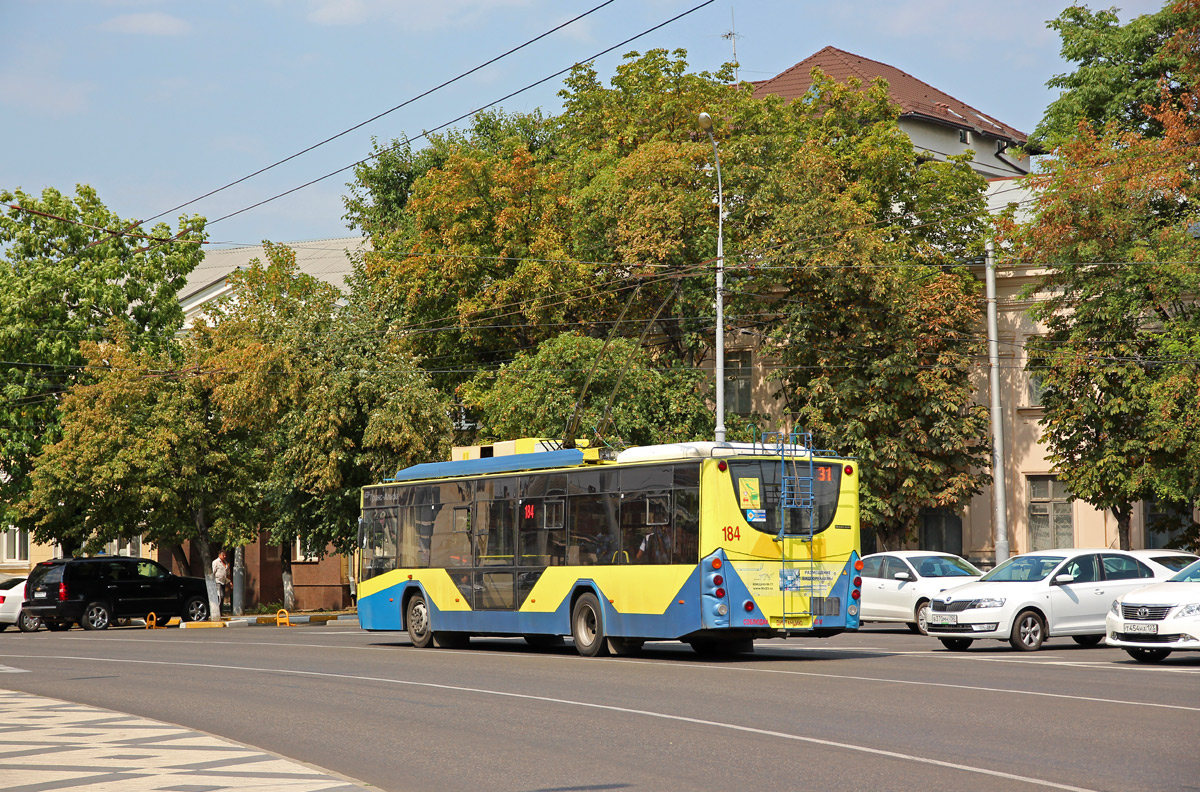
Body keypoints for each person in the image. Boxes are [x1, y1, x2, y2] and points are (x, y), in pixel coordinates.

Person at [212, 549, 230, 616]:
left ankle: (220, 612)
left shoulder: (225, 563)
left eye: (225, 555)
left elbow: (226, 574)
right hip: (217, 581)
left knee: (222, 597)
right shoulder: (215, 562)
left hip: (223, 582)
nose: (225, 556)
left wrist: (229, 581)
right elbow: (213, 572)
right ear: (219, 555)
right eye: (223, 555)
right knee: (220, 596)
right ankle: (217, 612)